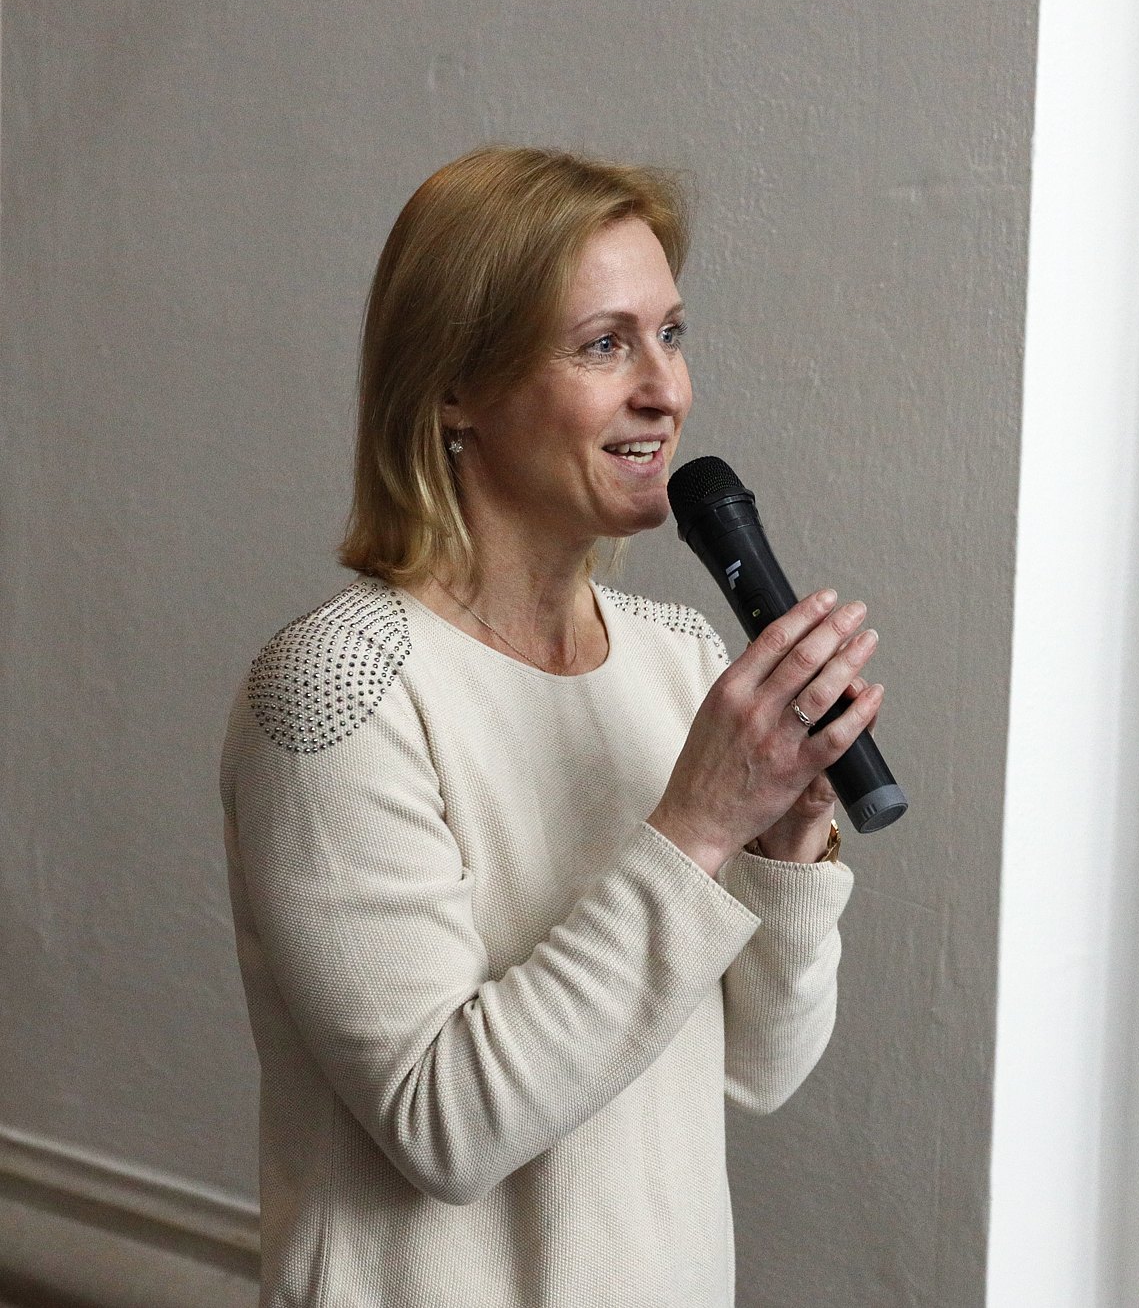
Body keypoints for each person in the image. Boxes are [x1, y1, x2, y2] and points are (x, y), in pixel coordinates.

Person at [219, 146, 886, 1307]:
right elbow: (445, 1127)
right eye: (602, 344)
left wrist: (783, 851)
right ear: (453, 385)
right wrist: (697, 824)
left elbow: (754, 1068)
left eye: (669, 333)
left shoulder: (680, 657)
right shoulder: (340, 686)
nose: (664, 390)